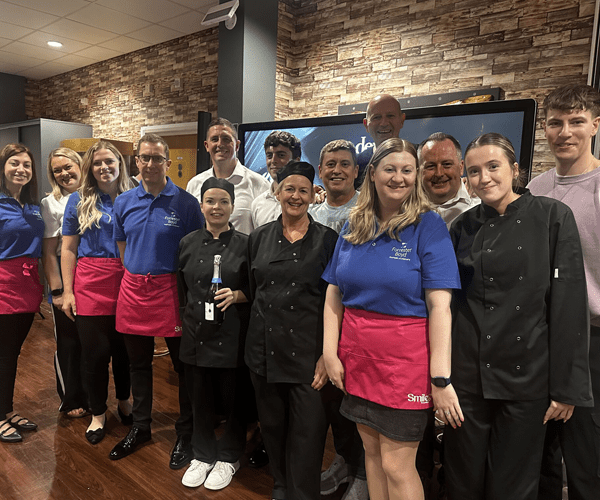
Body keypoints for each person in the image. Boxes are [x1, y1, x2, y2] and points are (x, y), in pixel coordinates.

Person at [445, 132, 591, 500]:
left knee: (513, 486)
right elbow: (449, 307)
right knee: (462, 480)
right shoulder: (462, 226)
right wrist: (442, 379)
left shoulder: (552, 216)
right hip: (469, 378)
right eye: (474, 171)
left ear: (514, 169)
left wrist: (566, 388)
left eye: (493, 166)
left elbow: (568, 304)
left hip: (527, 377)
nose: (484, 178)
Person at [322, 138, 460, 500]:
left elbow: (441, 307)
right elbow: (334, 293)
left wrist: (440, 378)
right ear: (372, 173)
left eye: (407, 170)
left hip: (405, 365)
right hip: (357, 358)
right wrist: (330, 353)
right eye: (390, 169)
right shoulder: (355, 224)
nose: (399, 177)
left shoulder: (429, 226)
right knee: (371, 455)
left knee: (398, 466)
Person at [246, 161, 338, 500]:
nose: (295, 196)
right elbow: (254, 290)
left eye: (303, 190)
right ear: (277, 192)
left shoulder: (328, 240)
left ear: (313, 195)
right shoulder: (258, 238)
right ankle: (281, 485)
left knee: (308, 434)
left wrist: (328, 355)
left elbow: (336, 302)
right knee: (272, 427)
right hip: (264, 351)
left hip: (309, 356)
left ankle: (303, 493)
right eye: (289, 189)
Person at [109, 134, 203, 466]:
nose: (150, 164)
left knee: (182, 366)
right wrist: (138, 269)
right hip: (134, 290)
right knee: (138, 364)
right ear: (136, 161)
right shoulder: (124, 202)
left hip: (171, 291)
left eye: (157, 158)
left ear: (168, 162)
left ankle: (186, 432)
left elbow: (196, 250)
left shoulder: (186, 203)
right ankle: (141, 427)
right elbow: (123, 246)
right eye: (145, 158)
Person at [528, 84, 600, 500]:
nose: (565, 132)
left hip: (592, 339)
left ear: (595, 125)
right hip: (542, 338)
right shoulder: (535, 189)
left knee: (586, 455)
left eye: (576, 121)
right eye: (556, 123)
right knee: (542, 452)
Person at [177, 178, 250, 490]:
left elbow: (257, 288)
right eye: (210, 201)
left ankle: (230, 456)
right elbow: (182, 290)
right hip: (196, 333)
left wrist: (236, 295)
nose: (216, 207)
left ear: (232, 206)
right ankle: (203, 454)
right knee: (200, 399)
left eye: (223, 201)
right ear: (201, 205)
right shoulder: (187, 243)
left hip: (233, 333)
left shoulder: (247, 243)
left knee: (234, 400)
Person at [61, 141, 132, 444]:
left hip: (127, 280)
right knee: (96, 354)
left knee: (125, 352)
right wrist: (67, 291)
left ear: (119, 163)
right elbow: (68, 249)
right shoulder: (77, 200)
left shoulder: (134, 196)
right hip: (90, 283)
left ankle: (125, 401)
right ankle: (98, 413)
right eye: (97, 163)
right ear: (90, 168)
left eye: (109, 161)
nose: (104, 167)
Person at [308, 139, 366, 500]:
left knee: (356, 405)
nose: (337, 170)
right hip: (319, 322)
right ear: (320, 170)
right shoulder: (311, 214)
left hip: (356, 326)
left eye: (345, 164)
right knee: (331, 403)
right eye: (330, 164)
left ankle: (362, 472)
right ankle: (345, 461)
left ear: (356, 171)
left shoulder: (367, 212)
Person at [0, 143, 44, 443]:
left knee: (12, 353)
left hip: (28, 286)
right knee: (3, 354)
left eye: (27, 165)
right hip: (3, 284)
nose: (21, 169)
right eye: (14, 163)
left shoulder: (34, 206)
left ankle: (6, 408)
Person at [40, 147, 88, 418]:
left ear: (79, 165)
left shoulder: (96, 195)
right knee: (69, 342)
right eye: (57, 170)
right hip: (63, 272)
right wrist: (58, 291)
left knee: (91, 341)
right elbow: (48, 252)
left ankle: (93, 395)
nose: (64, 173)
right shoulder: (51, 203)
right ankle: (71, 398)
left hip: (92, 275)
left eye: (68, 167)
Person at [187, 117, 270, 234]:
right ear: (206, 146)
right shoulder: (194, 184)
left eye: (226, 139)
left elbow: (266, 234)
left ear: (237, 145)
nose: (220, 144)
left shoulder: (259, 184)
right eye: (214, 139)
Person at [418, 132, 479, 226]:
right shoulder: (404, 209)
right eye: (430, 166)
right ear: (419, 171)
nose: (439, 173)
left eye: (446, 164)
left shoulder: (481, 204)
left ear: (461, 167)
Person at [251, 130, 302, 228]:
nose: (273, 161)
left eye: (281, 155)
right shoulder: (257, 204)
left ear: (296, 161)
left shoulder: (309, 201)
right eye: (269, 156)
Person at [355, 94, 406, 187]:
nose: (384, 123)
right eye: (376, 117)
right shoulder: (356, 163)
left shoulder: (418, 156)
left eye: (390, 116)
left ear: (402, 120)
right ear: (366, 124)